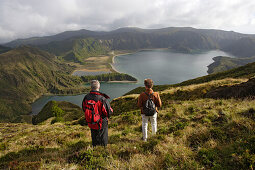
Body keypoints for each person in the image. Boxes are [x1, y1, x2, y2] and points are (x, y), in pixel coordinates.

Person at [82, 80, 113, 146]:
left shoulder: (86, 97)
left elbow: (84, 109)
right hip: (101, 123)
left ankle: (94, 151)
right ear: (99, 87)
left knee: (94, 138)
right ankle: (103, 152)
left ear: (91, 87)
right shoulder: (102, 99)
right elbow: (108, 112)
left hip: (91, 123)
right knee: (103, 140)